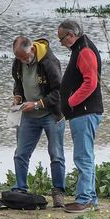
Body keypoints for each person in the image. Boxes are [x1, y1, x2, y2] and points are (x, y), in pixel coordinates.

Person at [10, 34, 68, 208]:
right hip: (28, 115)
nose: (23, 61)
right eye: (19, 58)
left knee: (56, 154)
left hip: (51, 114)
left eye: (25, 57)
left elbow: (59, 92)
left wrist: (37, 104)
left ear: (32, 50)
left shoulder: (49, 62)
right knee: (20, 153)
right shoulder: (18, 62)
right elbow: (18, 82)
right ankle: (20, 189)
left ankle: (58, 191)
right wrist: (18, 96)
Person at [56, 19, 103, 213]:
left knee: (83, 156)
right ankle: (89, 198)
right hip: (82, 113)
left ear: (71, 34)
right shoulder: (80, 49)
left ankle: (84, 199)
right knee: (85, 155)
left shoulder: (84, 51)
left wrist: (70, 102)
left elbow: (90, 82)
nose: (61, 42)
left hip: (84, 112)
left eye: (61, 38)